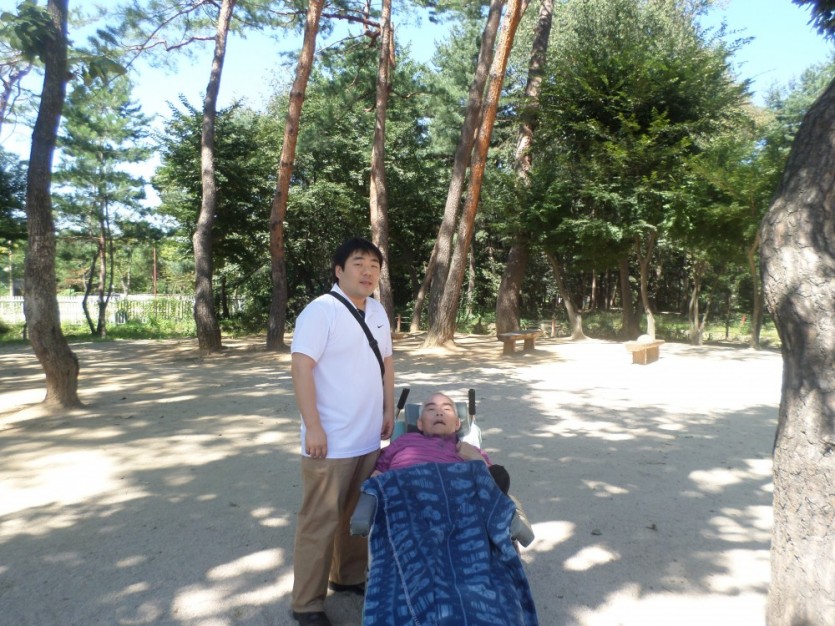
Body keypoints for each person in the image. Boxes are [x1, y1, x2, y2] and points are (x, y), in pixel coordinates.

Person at [290, 237, 395, 626]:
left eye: (374, 266)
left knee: (355, 515)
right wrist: (313, 426)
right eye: (358, 264)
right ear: (339, 271)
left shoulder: (378, 311)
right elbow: (301, 367)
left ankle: (347, 577)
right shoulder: (321, 311)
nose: (368, 272)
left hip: (367, 436)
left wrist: (388, 408)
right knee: (319, 522)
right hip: (330, 441)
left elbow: (387, 362)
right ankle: (306, 603)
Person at [373, 392, 510, 494]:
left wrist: (478, 459)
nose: (439, 413)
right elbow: (376, 471)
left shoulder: (471, 452)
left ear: (457, 424)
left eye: (447, 409)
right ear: (420, 423)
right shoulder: (403, 442)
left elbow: (498, 489)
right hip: (405, 499)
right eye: (431, 409)